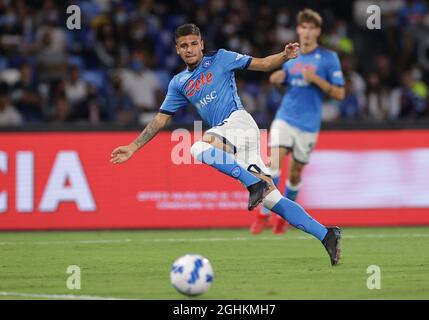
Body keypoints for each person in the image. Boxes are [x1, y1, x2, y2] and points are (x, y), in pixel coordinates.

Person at [110, 23, 341, 266]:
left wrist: (284, 55)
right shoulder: (179, 83)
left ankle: (255, 186)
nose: (189, 49)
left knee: (198, 148)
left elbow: (262, 64)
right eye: (183, 46)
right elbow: (160, 119)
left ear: (202, 44)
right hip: (233, 136)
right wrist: (134, 146)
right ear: (177, 50)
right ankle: (327, 235)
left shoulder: (222, 58)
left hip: (238, 122)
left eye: (193, 44)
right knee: (273, 200)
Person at [250, 9, 346, 235]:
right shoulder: (291, 56)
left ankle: (285, 218)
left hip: (309, 125)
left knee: (294, 174)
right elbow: (281, 79)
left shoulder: (329, 58)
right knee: (273, 165)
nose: (307, 32)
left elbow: (340, 94)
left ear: (318, 31)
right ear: (298, 30)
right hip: (285, 117)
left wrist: (317, 80)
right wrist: (276, 79)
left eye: (312, 28)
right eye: (303, 27)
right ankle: (263, 215)